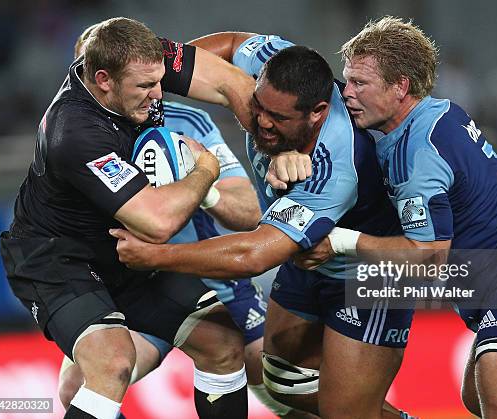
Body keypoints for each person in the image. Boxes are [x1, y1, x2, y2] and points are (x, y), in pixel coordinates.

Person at [266, 16, 497, 419]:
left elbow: (430, 258)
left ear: (400, 86)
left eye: (359, 84)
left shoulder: (417, 155)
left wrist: (340, 241)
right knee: (486, 398)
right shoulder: (439, 114)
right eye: (346, 80)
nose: (345, 94)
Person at [110, 32, 417, 419]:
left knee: (348, 414)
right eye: (259, 106)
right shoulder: (279, 65)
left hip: (365, 275)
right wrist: (150, 83)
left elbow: (252, 254)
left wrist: (157, 255)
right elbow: (233, 43)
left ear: (317, 112)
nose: (262, 123)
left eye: (279, 119)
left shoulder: (337, 171)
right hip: (307, 257)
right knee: (283, 380)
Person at [0, 17, 256, 419]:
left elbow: (234, 84)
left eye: (160, 81)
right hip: (59, 259)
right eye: (145, 87)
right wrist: (204, 170)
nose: (159, 95)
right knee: (111, 365)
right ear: (102, 79)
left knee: (222, 342)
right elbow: (156, 222)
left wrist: (282, 148)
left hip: (124, 252)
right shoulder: (75, 132)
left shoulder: (139, 65)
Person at [55, 25, 312, 419]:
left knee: (279, 386)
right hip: (137, 285)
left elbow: (247, 211)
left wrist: (202, 185)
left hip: (213, 280)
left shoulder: (187, 123)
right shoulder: (81, 135)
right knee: (76, 388)